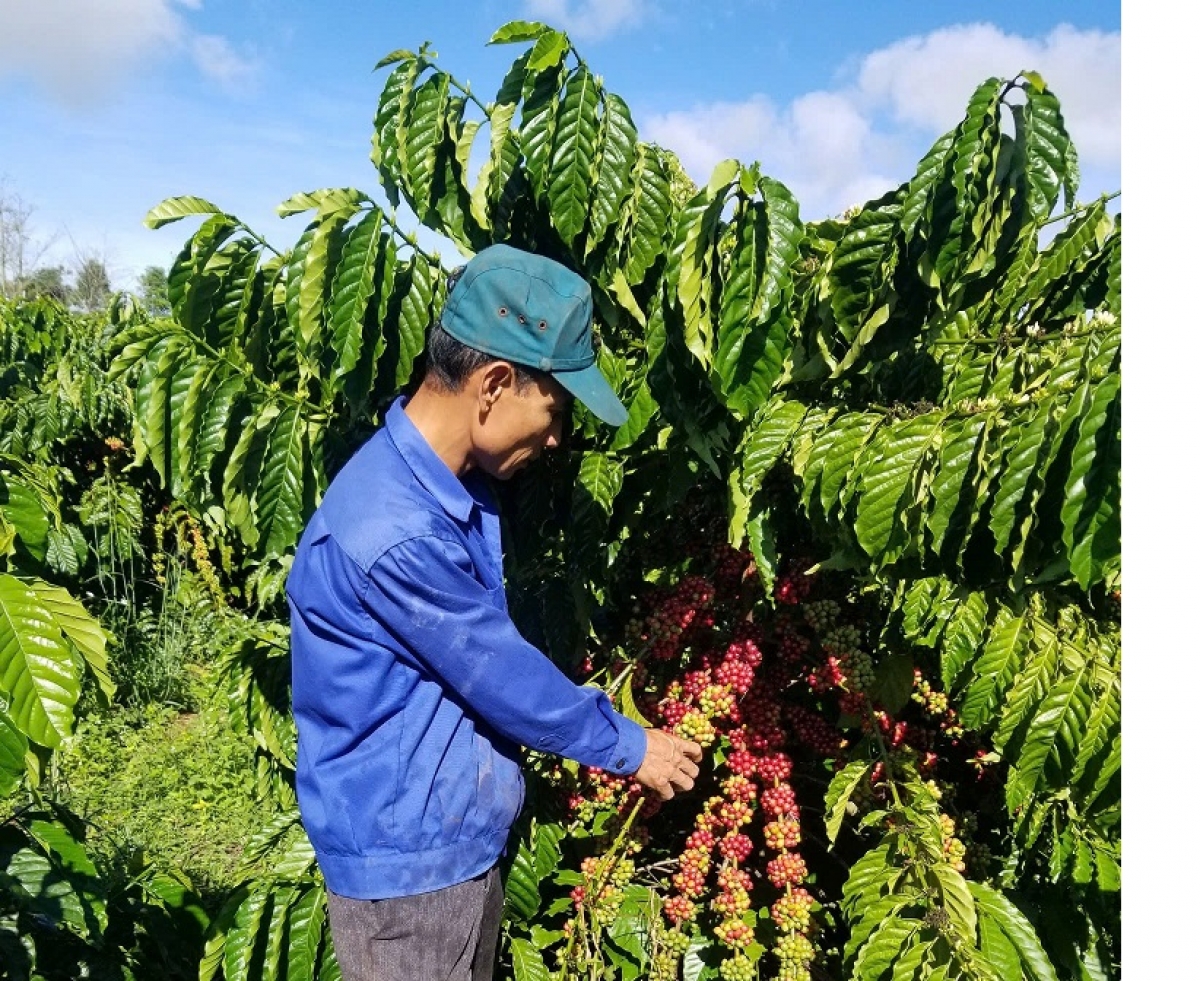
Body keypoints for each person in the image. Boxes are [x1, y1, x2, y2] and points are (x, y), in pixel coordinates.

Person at [287, 244, 703, 981]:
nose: (556, 438)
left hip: (445, 853)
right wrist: (631, 746)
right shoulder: (396, 531)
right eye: (554, 411)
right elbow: (499, 673)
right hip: (413, 882)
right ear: (495, 384)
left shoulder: (444, 487)